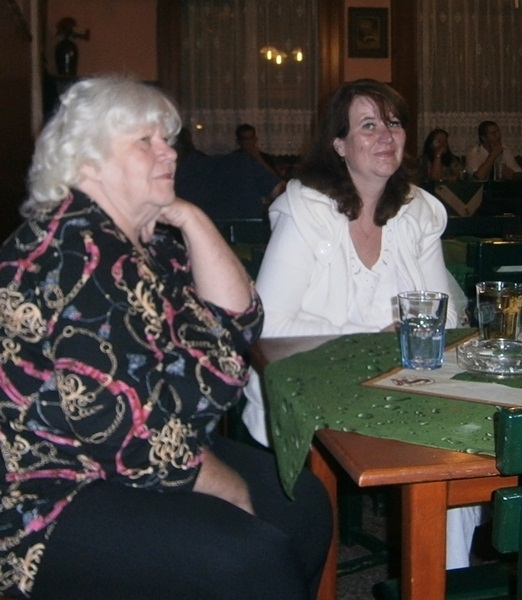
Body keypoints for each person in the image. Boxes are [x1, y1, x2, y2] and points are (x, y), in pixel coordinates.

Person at [0, 76, 331, 599]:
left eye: (168, 139)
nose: (169, 152)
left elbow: (240, 320)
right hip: (52, 494)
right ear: (87, 163)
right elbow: (125, 429)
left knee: (304, 506)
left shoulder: (146, 244)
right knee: (249, 558)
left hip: (147, 454)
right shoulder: (74, 250)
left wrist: (190, 216)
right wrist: (229, 488)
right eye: (144, 141)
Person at [240, 78, 476, 570]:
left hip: (401, 384)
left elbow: (446, 313)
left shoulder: (417, 210)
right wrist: (374, 340)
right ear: (339, 144)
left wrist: (405, 340)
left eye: (393, 123)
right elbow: (270, 324)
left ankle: (444, 575)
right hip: (314, 384)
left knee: (462, 439)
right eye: (368, 126)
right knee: (444, 439)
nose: (385, 135)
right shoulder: (306, 207)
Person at [419, 128, 482, 217]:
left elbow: (460, 175)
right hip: (433, 197)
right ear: (431, 144)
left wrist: (450, 178)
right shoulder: (423, 161)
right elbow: (435, 178)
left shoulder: (453, 159)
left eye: (445, 141)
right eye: (439, 141)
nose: (443, 144)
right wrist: (438, 155)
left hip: (453, 197)